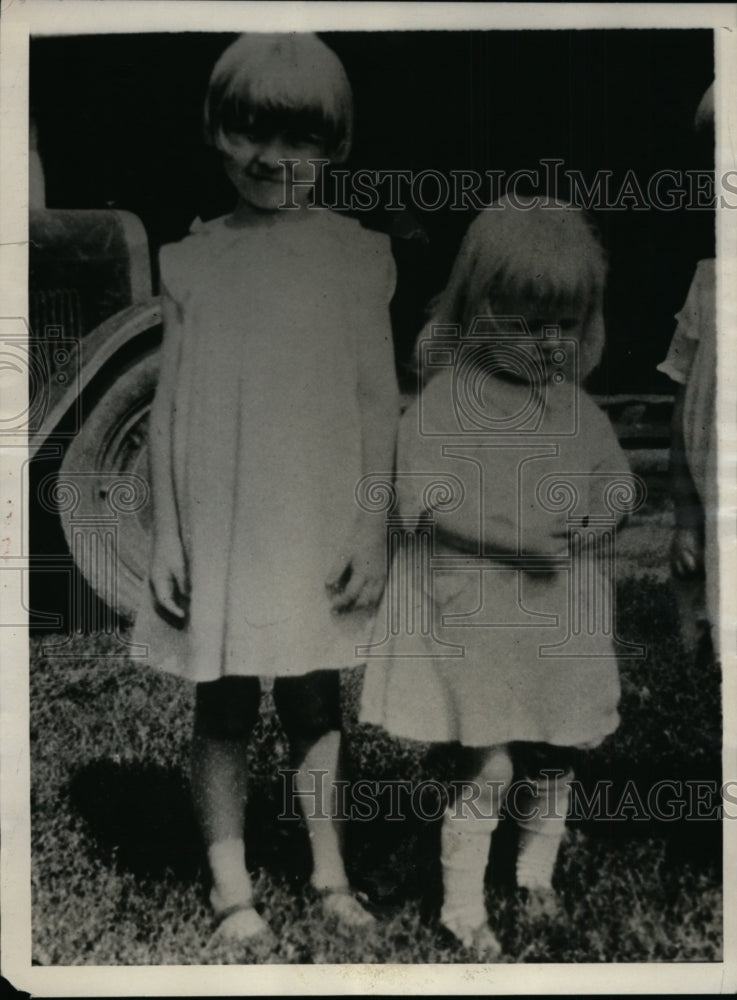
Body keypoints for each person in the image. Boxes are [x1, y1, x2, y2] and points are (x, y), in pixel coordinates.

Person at [133, 33, 399, 952]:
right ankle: (229, 884)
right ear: (216, 128)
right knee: (225, 698)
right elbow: (168, 411)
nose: (269, 158)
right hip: (226, 515)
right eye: (248, 130)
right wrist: (169, 535)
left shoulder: (356, 258)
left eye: (297, 141)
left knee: (315, 697)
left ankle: (329, 873)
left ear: (334, 149)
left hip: (315, 513)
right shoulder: (194, 262)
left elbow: (376, 402)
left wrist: (371, 529)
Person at [360, 200, 637, 957]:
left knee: (555, 750)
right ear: (479, 312)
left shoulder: (573, 409)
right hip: (475, 616)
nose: (549, 344)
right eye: (526, 324)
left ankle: (535, 870)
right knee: (489, 762)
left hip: (554, 623)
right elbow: (421, 503)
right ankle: (460, 904)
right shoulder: (450, 400)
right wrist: (513, 541)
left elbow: (615, 484)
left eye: (565, 326)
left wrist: (595, 521)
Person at [657, 82, 718, 663]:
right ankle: (700, 637)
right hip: (711, 480)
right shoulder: (709, 278)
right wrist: (684, 520)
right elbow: (683, 407)